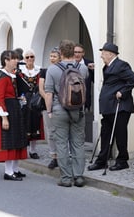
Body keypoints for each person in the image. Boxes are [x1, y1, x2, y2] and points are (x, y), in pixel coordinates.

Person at [45, 40, 92, 187]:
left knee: (62, 144)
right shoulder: (83, 68)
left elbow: (48, 93)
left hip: (59, 110)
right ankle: (78, 177)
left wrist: (49, 111)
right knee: (78, 144)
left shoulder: (52, 70)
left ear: (60, 52)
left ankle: (66, 178)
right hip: (78, 110)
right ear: (74, 52)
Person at [88, 42, 134, 171]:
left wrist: (123, 92)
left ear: (110, 54)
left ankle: (122, 160)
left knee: (120, 134)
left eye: (103, 53)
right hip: (109, 107)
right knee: (105, 134)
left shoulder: (121, 65)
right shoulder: (107, 66)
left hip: (119, 107)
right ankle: (102, 160)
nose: (101, 56)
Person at [0, 50, 28, 181]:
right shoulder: (2, 76)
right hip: (7, 110)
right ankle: (8, 172)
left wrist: (19, 98)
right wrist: (4, 117)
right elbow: (1, 98)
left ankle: (15, 169)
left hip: (14, 108)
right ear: (6, 61)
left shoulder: (12, 75)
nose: (16, 61)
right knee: (9, 140)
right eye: (13, 59)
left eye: (16, 59)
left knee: (17, 139)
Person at [17, 48, 44, 159]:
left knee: (35, 124)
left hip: (35, 100)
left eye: (32, 57)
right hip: (23, 100)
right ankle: (23, 149)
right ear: (24, 59)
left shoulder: (39, 70)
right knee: (23, 124)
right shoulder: (20, 72)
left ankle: (33, 150)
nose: (30, 59)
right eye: (27, 57)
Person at [39, 47, 61, 168]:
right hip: (47, 104)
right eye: (51, 56)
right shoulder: (44, 71)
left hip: (61, 105)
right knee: (51, 131)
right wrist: (49, 100)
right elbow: (41, 88)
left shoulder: (63, 69)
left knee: (61, 131)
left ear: (60, 57)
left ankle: (64, 155)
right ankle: (54, 156)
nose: (52, 59)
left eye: (54, 56)